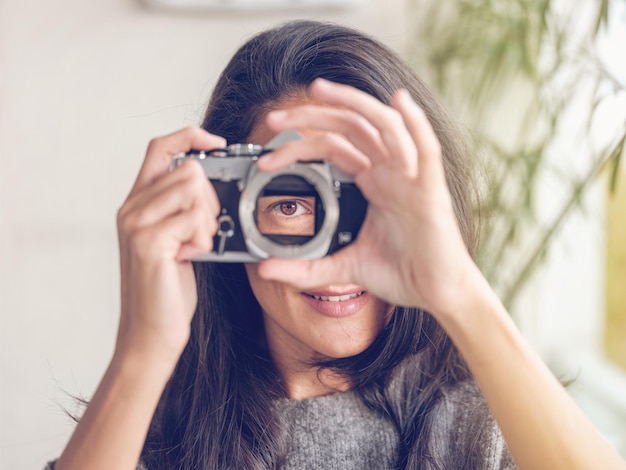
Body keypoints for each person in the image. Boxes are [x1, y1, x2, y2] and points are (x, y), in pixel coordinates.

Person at [49, 20, 625, 470]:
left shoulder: (487, 422)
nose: (334, 252)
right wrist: (144, 349)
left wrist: (459, 293)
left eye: (368, 201)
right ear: (228, 217)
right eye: (293, 204)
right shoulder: (149, 434)